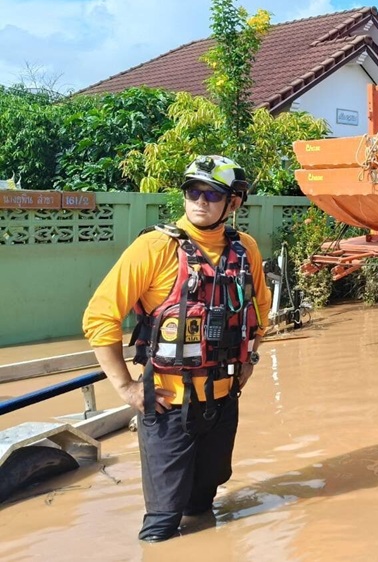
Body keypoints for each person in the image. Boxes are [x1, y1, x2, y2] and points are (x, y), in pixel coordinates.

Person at [83, 155, 270, 542]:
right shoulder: (154, 248)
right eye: (192, 191)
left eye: (212, 194)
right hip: (168, 405)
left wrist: (250, 358)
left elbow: (260, 311)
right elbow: (100, 318)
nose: (200, 201)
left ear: (233, 202)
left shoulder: (244, 249)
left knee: (203, 503)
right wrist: (126, 387)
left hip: (223, 401)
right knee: (162, 523)